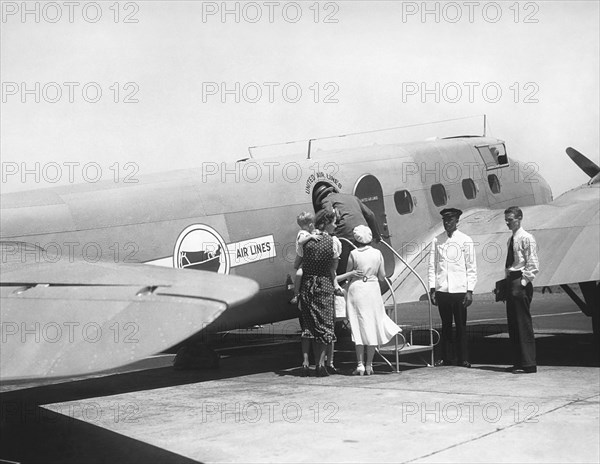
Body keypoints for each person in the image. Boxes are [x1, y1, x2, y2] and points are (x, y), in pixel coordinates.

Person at [345, 225, 401, 376]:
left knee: (358, 327)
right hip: (372, 289)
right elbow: (382, 276)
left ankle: (360, 365)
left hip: (356, 289)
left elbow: (348, 274)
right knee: (372, 325)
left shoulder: (353, 253)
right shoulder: (377, 253)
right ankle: (370, 365)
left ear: (356, 239)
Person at [428, 208, 477, 368]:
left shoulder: (465, 240)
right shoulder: (437, 241)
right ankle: (445, 358)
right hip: (443, 290)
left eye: (450, 220)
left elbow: (471, 267)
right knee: (446, 325)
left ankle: (463, 358)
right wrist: (432, 289)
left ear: (457, 221)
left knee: (461, 326)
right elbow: (432, 266)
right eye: (444, 220)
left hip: (459, 290)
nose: (447, 223)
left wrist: (470, 290)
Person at [298, 209, 344, 377]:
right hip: (324, 284)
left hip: (307, 284)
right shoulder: (333, 242)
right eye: (334, 222)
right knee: (325, 325)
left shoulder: (304, 240)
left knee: (310, 325)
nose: (336, 225)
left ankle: (308, 363)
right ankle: (320, 365)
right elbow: (333, 268)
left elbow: (298, 264)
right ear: (325, 223)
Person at [315, 186, 383, 275]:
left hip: (345, 234)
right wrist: (377, 236)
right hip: (363, 231)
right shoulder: (352, 197)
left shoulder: (326, 200)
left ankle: (344, 283)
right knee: (365, 259)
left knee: (343, 264)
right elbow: (370, 215)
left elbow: (329, 216)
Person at [504, 206, 539, 374]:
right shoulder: (511, 240)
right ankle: (518, 362)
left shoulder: (527, 238)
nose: (508, 223)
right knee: (513, 324)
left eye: (510, 219)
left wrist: (523, 283)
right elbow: (509, 264)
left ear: (519, 218)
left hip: (520, 280)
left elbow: (533, 264)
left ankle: (529, 363)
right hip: (511, 280)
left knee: (523, 324)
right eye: (507, 220)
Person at [290, 211, 321, 305]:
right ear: (311, 224)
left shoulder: (307, 232)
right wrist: (311, 236)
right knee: (299, 272)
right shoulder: (303, 234)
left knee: (298, 269)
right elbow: (300, 241)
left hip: (303, 255)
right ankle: (296, 293)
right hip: (302, 257)